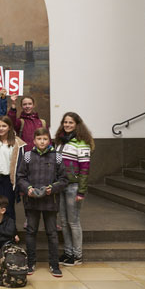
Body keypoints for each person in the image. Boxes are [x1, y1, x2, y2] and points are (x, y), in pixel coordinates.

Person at [17, 127, 68, 277]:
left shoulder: (57, 157)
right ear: (34, 141)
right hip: (32, 201)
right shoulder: (27, 156)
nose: (42, 141)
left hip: (50, 201)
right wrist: (28, 189)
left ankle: (54, 264)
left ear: (49, 140)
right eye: (39, 139)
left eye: (45, 139)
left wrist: (52, 188)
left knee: (52, 233)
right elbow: (20, 177)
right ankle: (31, 262)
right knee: (31, 232)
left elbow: (64, 179)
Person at [54, 112, 94, 266]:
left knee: (74, 222)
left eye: (70, 122)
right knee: (64, 221)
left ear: (77, 124)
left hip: (73, 187)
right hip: (61, 185)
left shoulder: (82, 142)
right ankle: (68, 252)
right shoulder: (60, 141)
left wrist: (81, 191)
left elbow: (85, 169)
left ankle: (77, 255)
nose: (67, 125)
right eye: (65, 122)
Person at [0, 116, 26, 220]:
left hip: (9, 181)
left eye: (4, 126)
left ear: (9, 127)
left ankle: (10, 234)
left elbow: (20, 166)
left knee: (8, 208)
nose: (1, 128)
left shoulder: (17, 143)